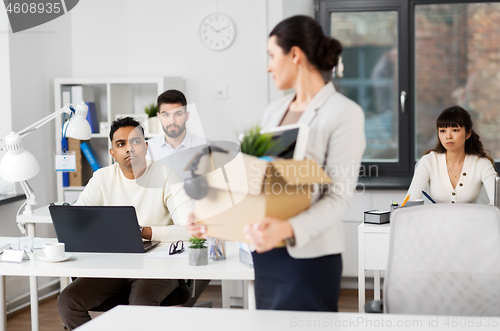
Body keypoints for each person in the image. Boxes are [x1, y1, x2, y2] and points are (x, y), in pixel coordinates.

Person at [188, 15, 366, 312]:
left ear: (295, 55)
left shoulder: (343, 113)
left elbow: (338, 198)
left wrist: (286, 228)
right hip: (266, 253)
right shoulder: (275, 111)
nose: (268, 66)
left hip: (308, 258)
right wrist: (213, 217)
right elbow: (256, 182)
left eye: (272, 56)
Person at [57, 117, 193, 330]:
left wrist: (144, 232)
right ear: (112, 152)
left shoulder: (166, 176)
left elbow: (190, 230)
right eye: (121, 144)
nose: (129, 148)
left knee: (140, 305)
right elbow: (78, 218)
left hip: (156, 268)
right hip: (112, 266)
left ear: (146, 147)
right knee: (68, 302)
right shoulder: (102, 178)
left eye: (136, 142)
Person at [407, 105, 497, 204]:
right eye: (442, 131)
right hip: (437, 219)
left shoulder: (482, 164)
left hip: (471, 219)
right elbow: (411, 201)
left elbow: (497, 202)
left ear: (468, 134)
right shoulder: (428, 161)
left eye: (455, 130)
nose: (448, 136)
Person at [147, 89, 208, 180]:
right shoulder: (148, 149)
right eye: (166, 115)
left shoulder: (204, 147)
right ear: (159, 117)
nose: (172, 121)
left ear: (186, 116)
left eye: (178, 114)